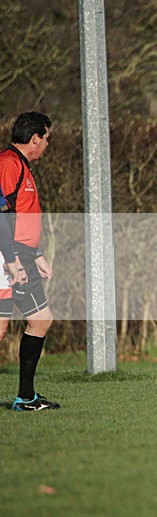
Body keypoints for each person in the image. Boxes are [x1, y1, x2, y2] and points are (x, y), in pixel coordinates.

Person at [0, 111, 58, 411]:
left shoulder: (19, 165)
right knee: (33, 321)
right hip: (9, 258)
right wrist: (12, 259)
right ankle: (25, 397)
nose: (47, 144)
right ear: (34, 138)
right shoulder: (8, 164)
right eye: (47, 138)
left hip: (20, 256)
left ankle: (26, 397)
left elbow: (20, 215)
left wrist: (35, 254)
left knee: (37, 320)